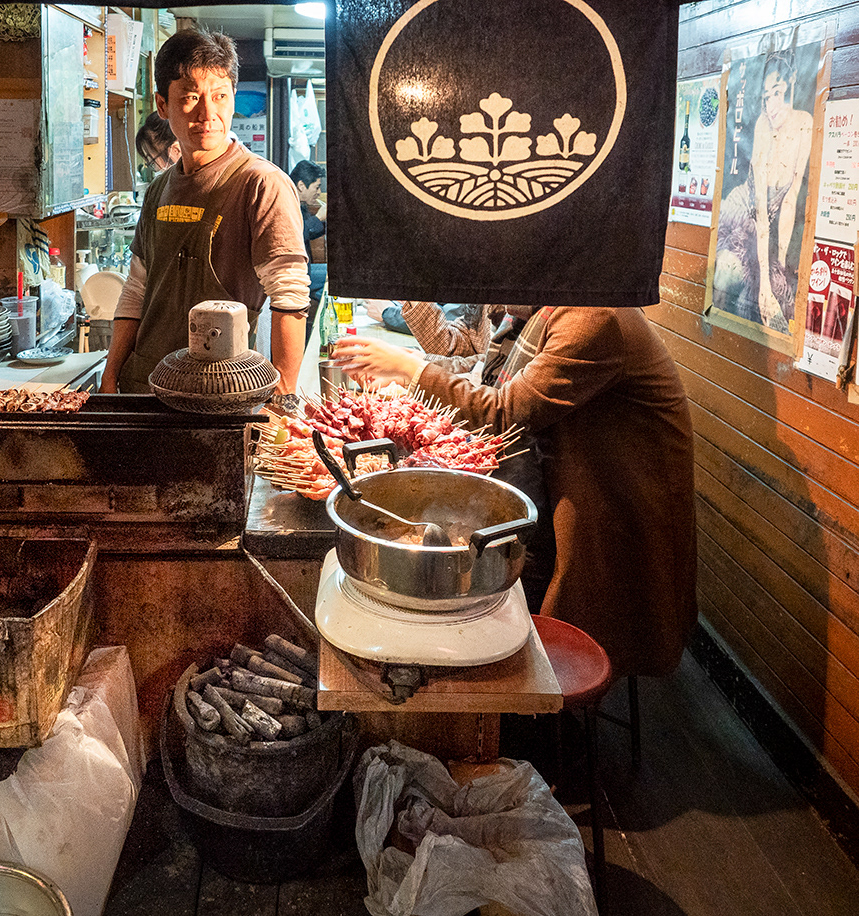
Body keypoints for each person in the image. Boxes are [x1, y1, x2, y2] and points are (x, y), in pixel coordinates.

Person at [333, 307, 698, 680]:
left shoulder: (595, 319)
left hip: (614, 512)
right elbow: (492, 380)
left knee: (510, 597)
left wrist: (413, 370)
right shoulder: (533, 315)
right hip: (558, 482)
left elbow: (507, 411)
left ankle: (522, 705)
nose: (495, 304)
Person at [101, 29, 310, 398]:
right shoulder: (157, 190)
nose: (207, 114)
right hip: (146, 384)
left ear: (232, 101)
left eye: (220, 96)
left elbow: (289, 296)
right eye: (191, 97)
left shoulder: (261, 184)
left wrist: (285, 392)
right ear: (162, 105)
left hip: (222, 392)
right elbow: (136, 291)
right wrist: (111, 374)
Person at [713, 50, 813, 331]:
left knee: (779, 289)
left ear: (792, 82)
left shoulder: (805, 123)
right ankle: (713, 331)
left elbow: (791, 199)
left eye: (777, 93)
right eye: (766, 97)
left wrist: (778, 270)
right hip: (747, 205)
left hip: (777, 212)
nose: (771, 105)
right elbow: (759, 210)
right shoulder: (762, 125)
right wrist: (765, 287)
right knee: (727, 269)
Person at [290, 159, 327, 341]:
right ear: (301, 185)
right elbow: (295, 234)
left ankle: (323, 314)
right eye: (317, 187)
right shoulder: (287, 202)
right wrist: (318, 218)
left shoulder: (299, 202)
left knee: (330, 274)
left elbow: (309, 233)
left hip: (306, 269)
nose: (319, 192)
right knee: (331, 279)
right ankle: (325, 320)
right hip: (292, 274)